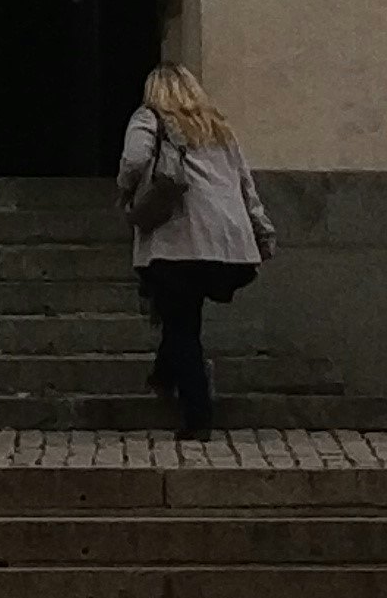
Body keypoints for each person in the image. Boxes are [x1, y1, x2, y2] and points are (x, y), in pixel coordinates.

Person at [115, 61, 273, 439]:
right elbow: (245, 184)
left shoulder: (148, 117)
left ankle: (198, 416)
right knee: (184, 315)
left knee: (182, 324)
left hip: (178, 239)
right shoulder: (218, 127)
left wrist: (125, 190)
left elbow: (135, 159)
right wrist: (263, 231)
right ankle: (163, 373)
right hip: (226, 243)